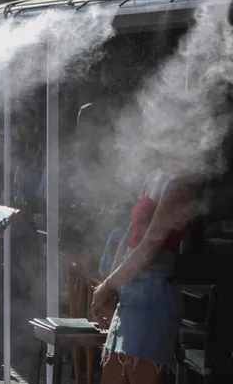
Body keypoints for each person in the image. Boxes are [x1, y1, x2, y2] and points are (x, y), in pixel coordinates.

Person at [90, 111, 198, 383]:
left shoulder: (180, 184)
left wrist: (110, 285)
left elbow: (150, 245)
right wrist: (110, 289)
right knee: (112, 376)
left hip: (154, 295)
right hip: (130, 291)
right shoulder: (154, 176)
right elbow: (129, 234)